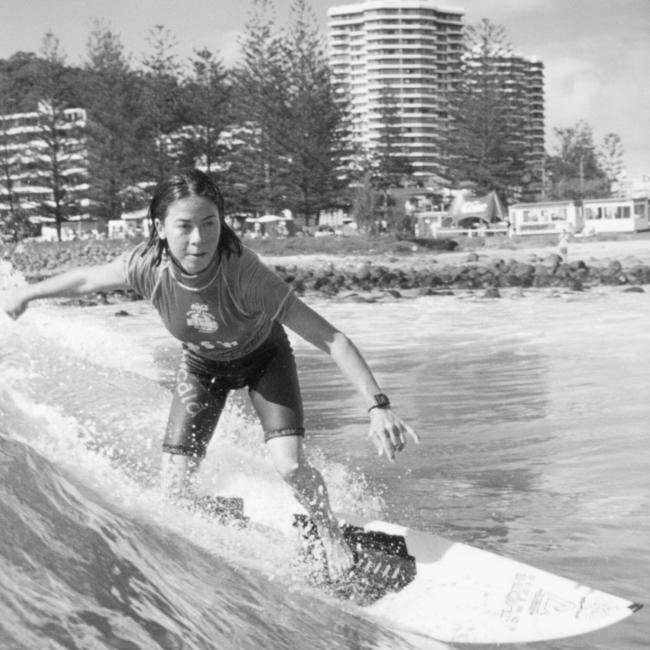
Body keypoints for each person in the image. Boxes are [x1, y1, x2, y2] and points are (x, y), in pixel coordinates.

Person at [1, 169, 418, 580]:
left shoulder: (246, 274)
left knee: (289, 465)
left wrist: (377, 406)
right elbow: (86, 279)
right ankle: (223, 514)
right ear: (161, 229)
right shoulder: (147, 266)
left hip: (263, 360)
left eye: (209, 223)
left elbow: (332, 339)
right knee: (175, 491)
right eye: (184, 226)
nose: (198, 238)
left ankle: (329, 533)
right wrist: (27, 292)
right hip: (202, 367)